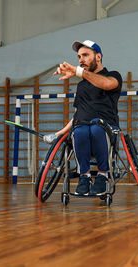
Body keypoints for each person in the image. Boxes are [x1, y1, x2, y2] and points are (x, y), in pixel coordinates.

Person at [43, 40, 122, 196]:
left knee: (96, 127)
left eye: (85, 55)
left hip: (105, 130)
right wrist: (57, 134)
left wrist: (79, 72)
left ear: (98, 57)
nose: (81, 60)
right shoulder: (81, 86)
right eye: (79, 56)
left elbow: (106, 84)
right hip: (83, 131)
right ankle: (84, 177)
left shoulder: (113, 75)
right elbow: (77, 115)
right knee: (79, 130)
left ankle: (103, 175)